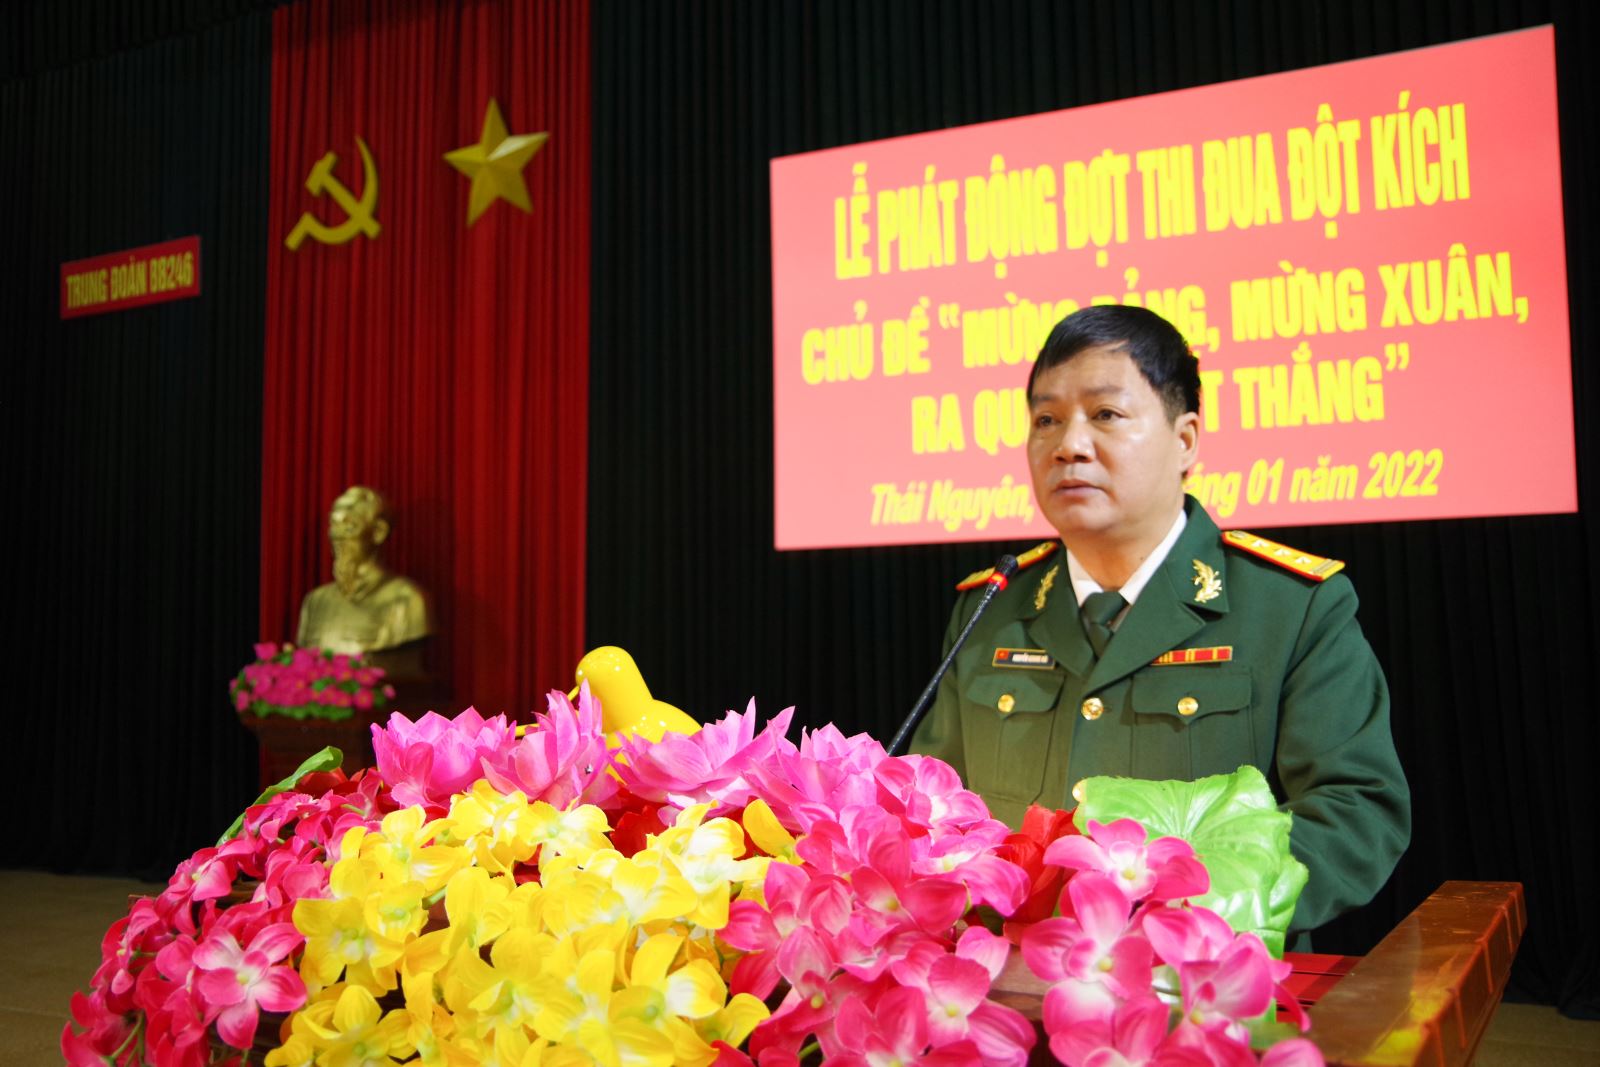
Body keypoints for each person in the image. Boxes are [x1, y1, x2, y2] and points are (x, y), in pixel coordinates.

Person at [910, 304, 1409, 933]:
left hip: (1195, 974)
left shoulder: (1291, 607)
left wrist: (1184, 915)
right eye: (1046, 420)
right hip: (1004, 974)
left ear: (1185, 441)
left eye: (1106, 415)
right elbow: (934, 805)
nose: (1068, 446)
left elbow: (1355, 812)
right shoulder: (992, 607)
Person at [296, 485, 430, 670]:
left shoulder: (406, 600)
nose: (337, 535)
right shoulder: (315, 602)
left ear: (378, 532)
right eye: (334, 524)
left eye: (350, 526)